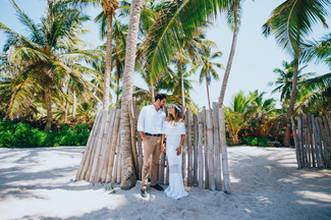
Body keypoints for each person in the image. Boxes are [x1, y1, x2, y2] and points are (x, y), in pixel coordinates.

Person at [137, 93, 167, 198]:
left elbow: (163, 130)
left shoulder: (163, 114)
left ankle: (154, 183)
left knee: (155, 162)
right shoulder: (146, 109)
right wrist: (144, 138)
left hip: (159, 139)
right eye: (163, 101)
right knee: (147, 163)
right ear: (158, 100)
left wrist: (162, 143)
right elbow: (140, 124)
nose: (164, 103)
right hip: (148, 138)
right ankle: (143, 186)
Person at [162, 104, 188, 199]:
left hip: (176, 146)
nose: (169, 109)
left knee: (176, 166)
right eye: (168, 108)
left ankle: (178, 189)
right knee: (172, 167)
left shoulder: (180, 121)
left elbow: (183, 135)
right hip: (169, 146)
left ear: (176, 110)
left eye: (171, 107)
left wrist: (180, 146)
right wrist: (163, 144)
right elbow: (164, 135)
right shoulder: (167, 120)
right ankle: (173, 187)